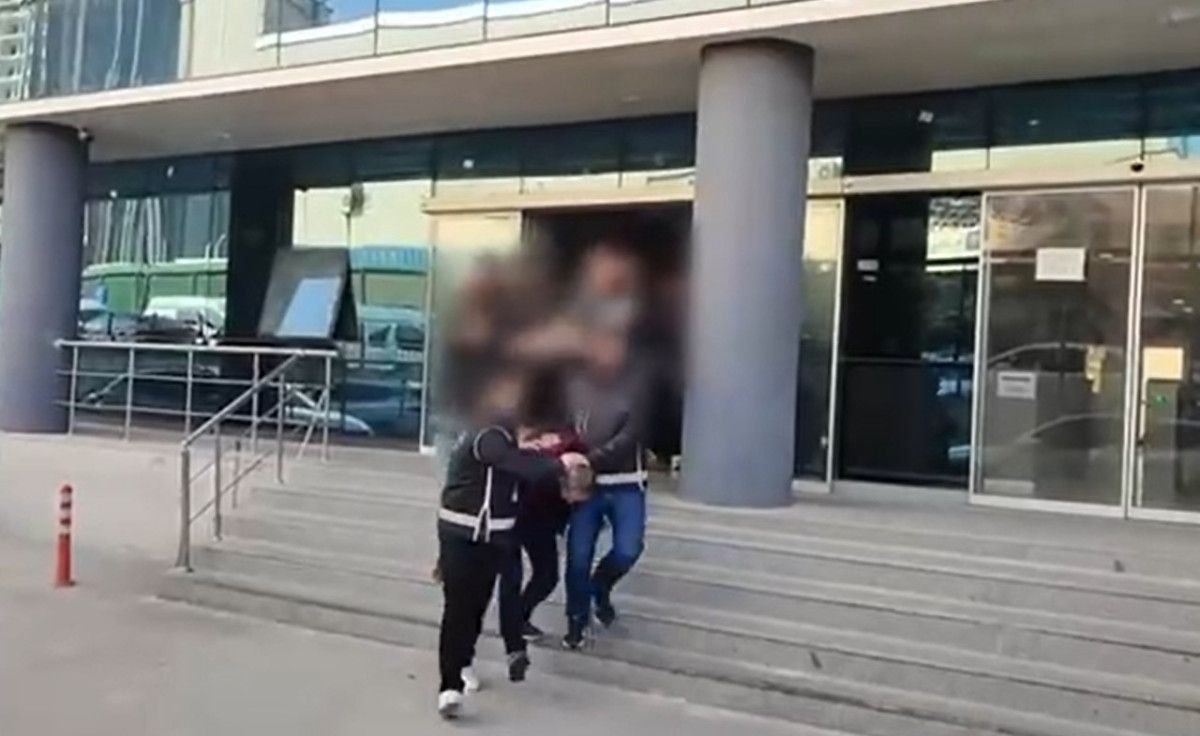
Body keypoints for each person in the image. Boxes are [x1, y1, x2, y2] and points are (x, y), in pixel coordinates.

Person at [435, 370, 589, 719]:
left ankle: (465, 660)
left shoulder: (513, 441)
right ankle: (449, 685)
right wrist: (559, 462)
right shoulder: (488, 434)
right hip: (461, 532)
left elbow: (526, 467)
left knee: (477, 606)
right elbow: (511, 462)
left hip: (496, 536)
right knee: (458, 608)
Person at [562, 327, 652, 650]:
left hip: (626, 482)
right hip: (584, 486)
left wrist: (588, 460)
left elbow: (632, 434)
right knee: (578, 556)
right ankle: (576, 619)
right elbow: (565, 427)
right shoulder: (575, 385)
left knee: (628, 549)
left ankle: (600, 587)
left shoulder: (637, 385)